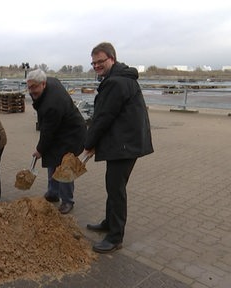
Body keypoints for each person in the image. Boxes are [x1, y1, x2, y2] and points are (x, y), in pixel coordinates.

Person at [84, 42, 154, 253]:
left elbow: (104, 117)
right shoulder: (119, 78)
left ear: (112, 59)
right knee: (112, 185)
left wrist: (89, 143)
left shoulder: (116, 83)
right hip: (126, 141)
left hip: (125, 144)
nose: (96, 66)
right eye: (93, 63)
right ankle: (109, 223)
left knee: (116, 189)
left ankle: (115, 237)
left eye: (100, 62)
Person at [26, 69, 87, 214]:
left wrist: (39, 150)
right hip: (60, 129)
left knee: (65, 166)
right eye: (29, 87)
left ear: (43, 84)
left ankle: (67, 201)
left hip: (72, 134)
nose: (30, 91)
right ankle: (53, 193)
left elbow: (47, 132)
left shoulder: (51, 105)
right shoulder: (50, 81)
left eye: (34, 87)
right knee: (52, 159)